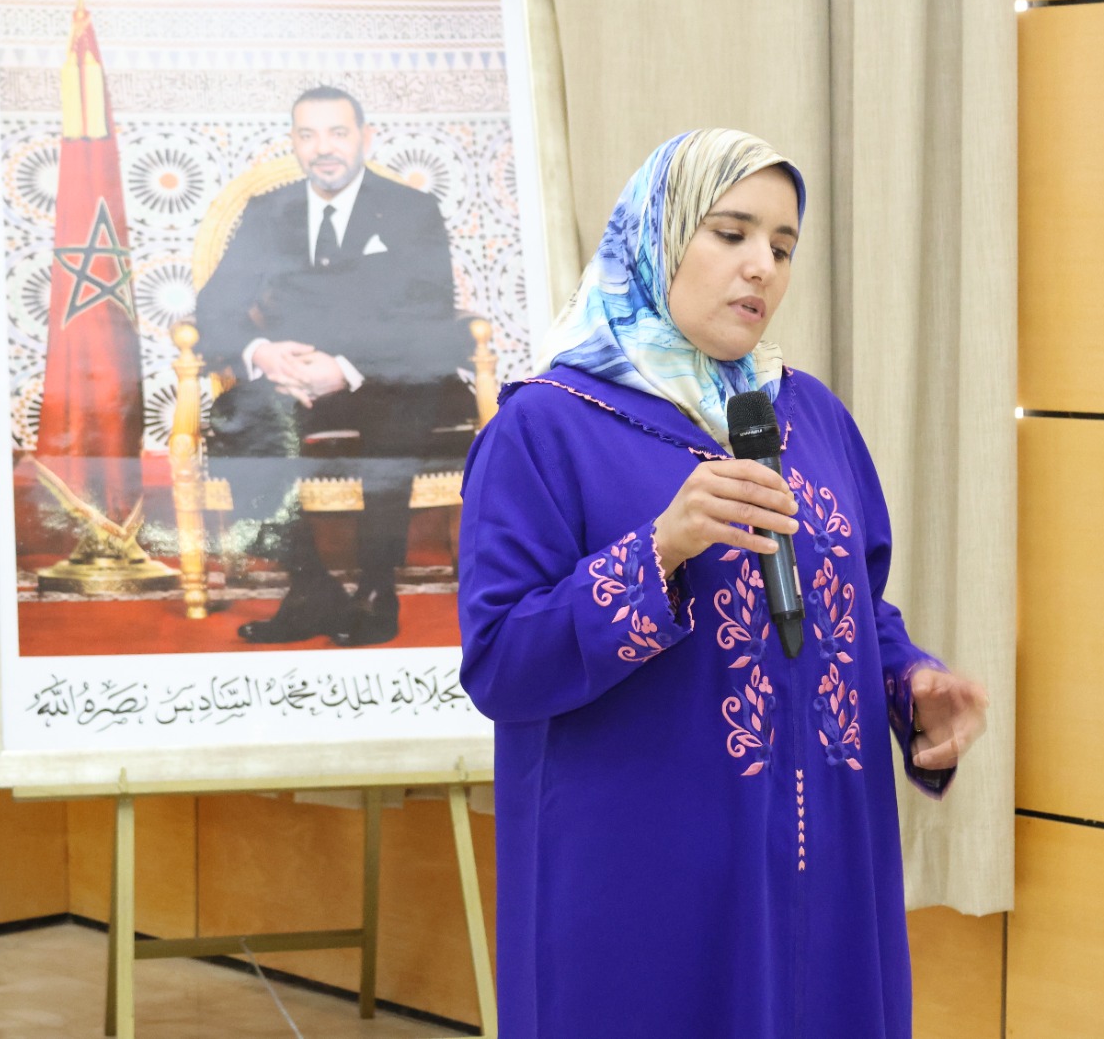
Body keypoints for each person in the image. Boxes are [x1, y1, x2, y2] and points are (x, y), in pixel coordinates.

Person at [457, 130, 988, 1038]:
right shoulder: (546, 427)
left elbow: (855, 602)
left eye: (782, 246)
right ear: (657, 236)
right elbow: (502, 662)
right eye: (731, 233)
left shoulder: (809, 414)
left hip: (823, 869)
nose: (761, 268)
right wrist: (658, 551)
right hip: (643, 885)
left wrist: (911, 682)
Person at [196, 86, 461, 646]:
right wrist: (263, 353)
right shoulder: (269, 212)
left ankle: (376, 588)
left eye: (338, 132)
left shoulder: (411, 211)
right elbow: (215, 306)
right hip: (294, 373)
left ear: (366, 138)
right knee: (236, 416)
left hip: (388, 371)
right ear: (293, 142)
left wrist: (344, 366)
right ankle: (309, 585)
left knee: (396, 413)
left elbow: (430, 314)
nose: (323, 148)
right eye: (308, 134)